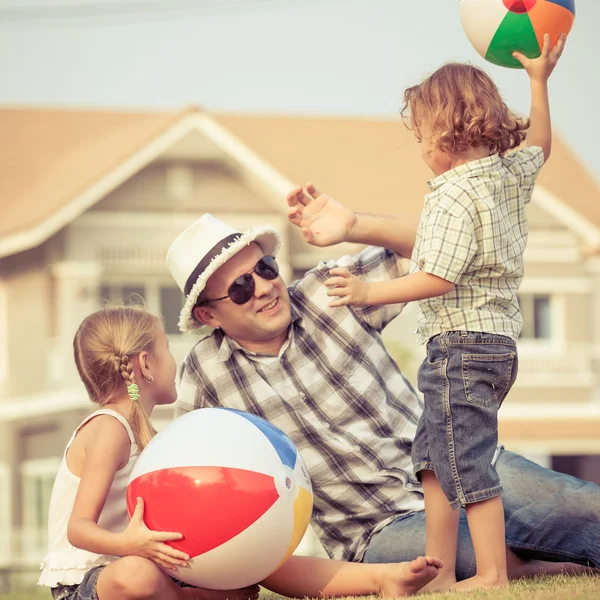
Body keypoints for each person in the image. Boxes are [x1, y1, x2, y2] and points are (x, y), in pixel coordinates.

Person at [167, 226, 600, 581]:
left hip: (461, 465)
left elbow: (442, 243)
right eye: (241, 288)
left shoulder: (327, 290)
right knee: (473, 555)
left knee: (583, 508)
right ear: (208, 315)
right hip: (375, 530)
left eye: (264, 268)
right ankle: (555, 568)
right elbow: (178, 472)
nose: (263, 287)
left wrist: (352, 224)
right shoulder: (204, 374)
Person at [297, 36, 567, 592]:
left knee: (464, 462)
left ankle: (491, 574)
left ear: (442, 133)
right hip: (493, 345)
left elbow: (438, 276)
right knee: (432, 460)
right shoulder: (505, 174)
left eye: (421, 136)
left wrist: (369, 293)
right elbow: (540, 143)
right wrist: (538, 82)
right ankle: (440, 569)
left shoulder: (450, 195)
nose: (421, 148)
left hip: (461, 348)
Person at [38, 305, 443, 600]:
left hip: (148, 558)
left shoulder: (152, 436)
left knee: (257, 554)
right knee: (137, 576)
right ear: (146, 364)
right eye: (166, 348)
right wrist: (137, 545)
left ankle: (381, 579)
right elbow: (79, 529)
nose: (173, 359)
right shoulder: (109, 429)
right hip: (91, 581)